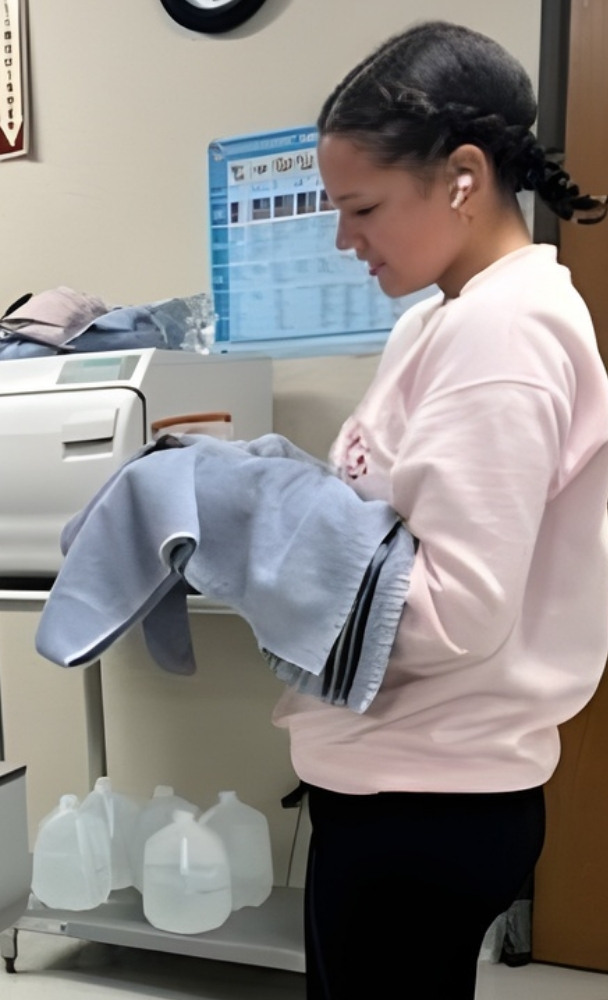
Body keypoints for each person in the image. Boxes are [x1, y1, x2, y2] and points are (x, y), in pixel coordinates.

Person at [270, 21, 608, 1000]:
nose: (344, 239)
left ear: (463, 175)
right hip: (398, 786)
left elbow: (455, 605)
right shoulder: (443, 321)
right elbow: (385, 521)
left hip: (428, 802)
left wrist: (270, 572)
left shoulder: (505, 335)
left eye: (363, 206)